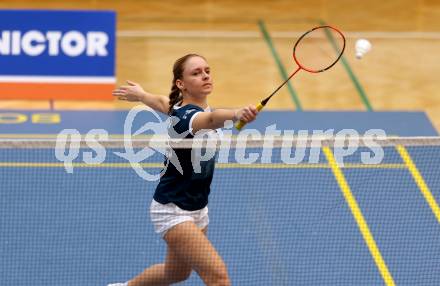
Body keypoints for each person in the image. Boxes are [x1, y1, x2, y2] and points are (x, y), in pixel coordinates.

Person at [109, 54, 258, 286]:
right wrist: (236, 113)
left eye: (207, 70)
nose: (205, 75)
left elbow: (162, 102)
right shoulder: (189, 118)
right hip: (172, 209)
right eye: (196, 73)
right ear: (181, 83)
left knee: (176, 273)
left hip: (197, 208)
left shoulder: (178, 107)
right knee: (218, 277)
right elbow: (210, 120)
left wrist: (141, 95)